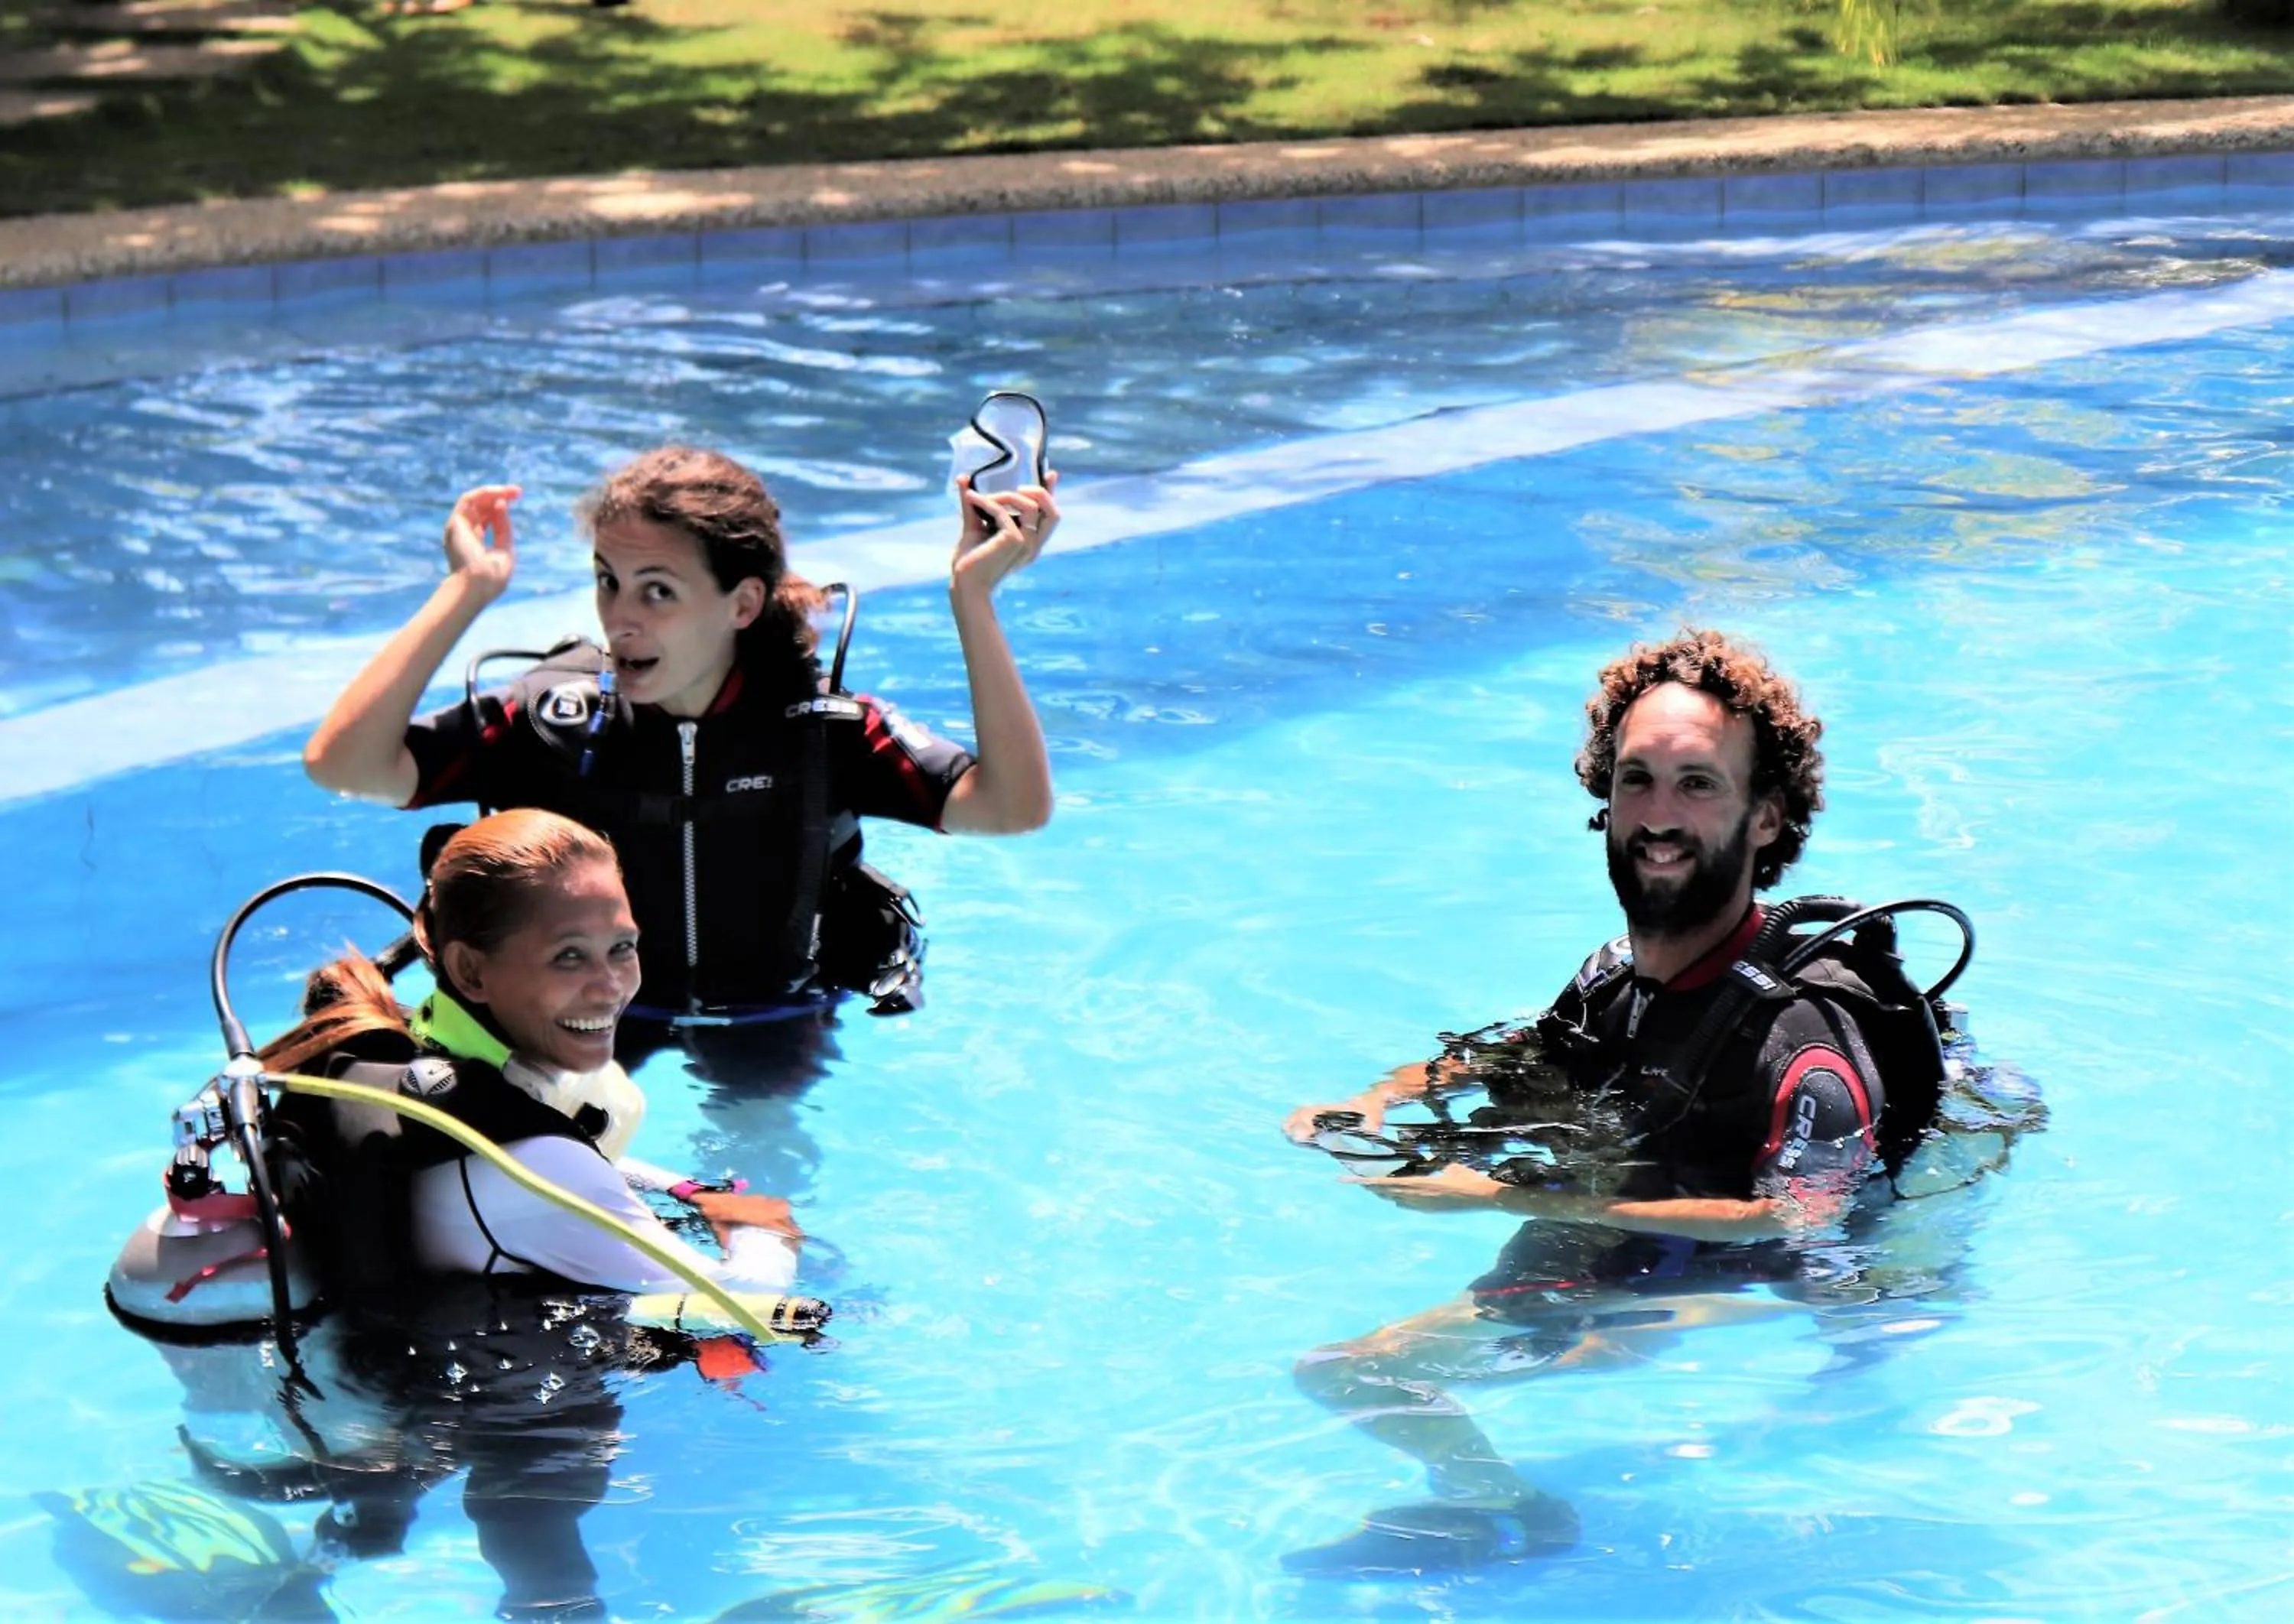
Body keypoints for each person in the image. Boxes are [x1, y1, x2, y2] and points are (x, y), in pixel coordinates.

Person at [1279, 629, 1948, 1578]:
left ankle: (1508, 1514)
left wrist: (1508, 1199)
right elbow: (1528, 1050)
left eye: (1698, 784)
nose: (1658, 815)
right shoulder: (1616, 979)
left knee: (1355, 1373)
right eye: (1636, 780)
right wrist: (1376, 1097)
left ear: (1767, 818)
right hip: (1643, 1220)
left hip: (1762, 1263)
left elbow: (1802, 1221)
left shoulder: (1803, 1044)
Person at [301, 445, 1056, 1067]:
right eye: (608, 582)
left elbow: (1011, 808)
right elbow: (346, 767)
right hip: (582, 1025)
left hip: (773, 1016)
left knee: (759, 1187)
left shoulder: (818, 730)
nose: (620, 618)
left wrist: (974, 599)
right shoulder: (560, 718)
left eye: (657, 592)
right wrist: (467, 590)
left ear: (743, 605)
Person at [260, 807, 810, 1302]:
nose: (610, 986)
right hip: (508, 1413)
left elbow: (556, 1164)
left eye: (622, 947)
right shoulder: (539, 1163)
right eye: (568, 957)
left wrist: (686, 1190)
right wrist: (765, 1230)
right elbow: (745, 1304)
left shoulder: (391, 1049)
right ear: (470, 970)